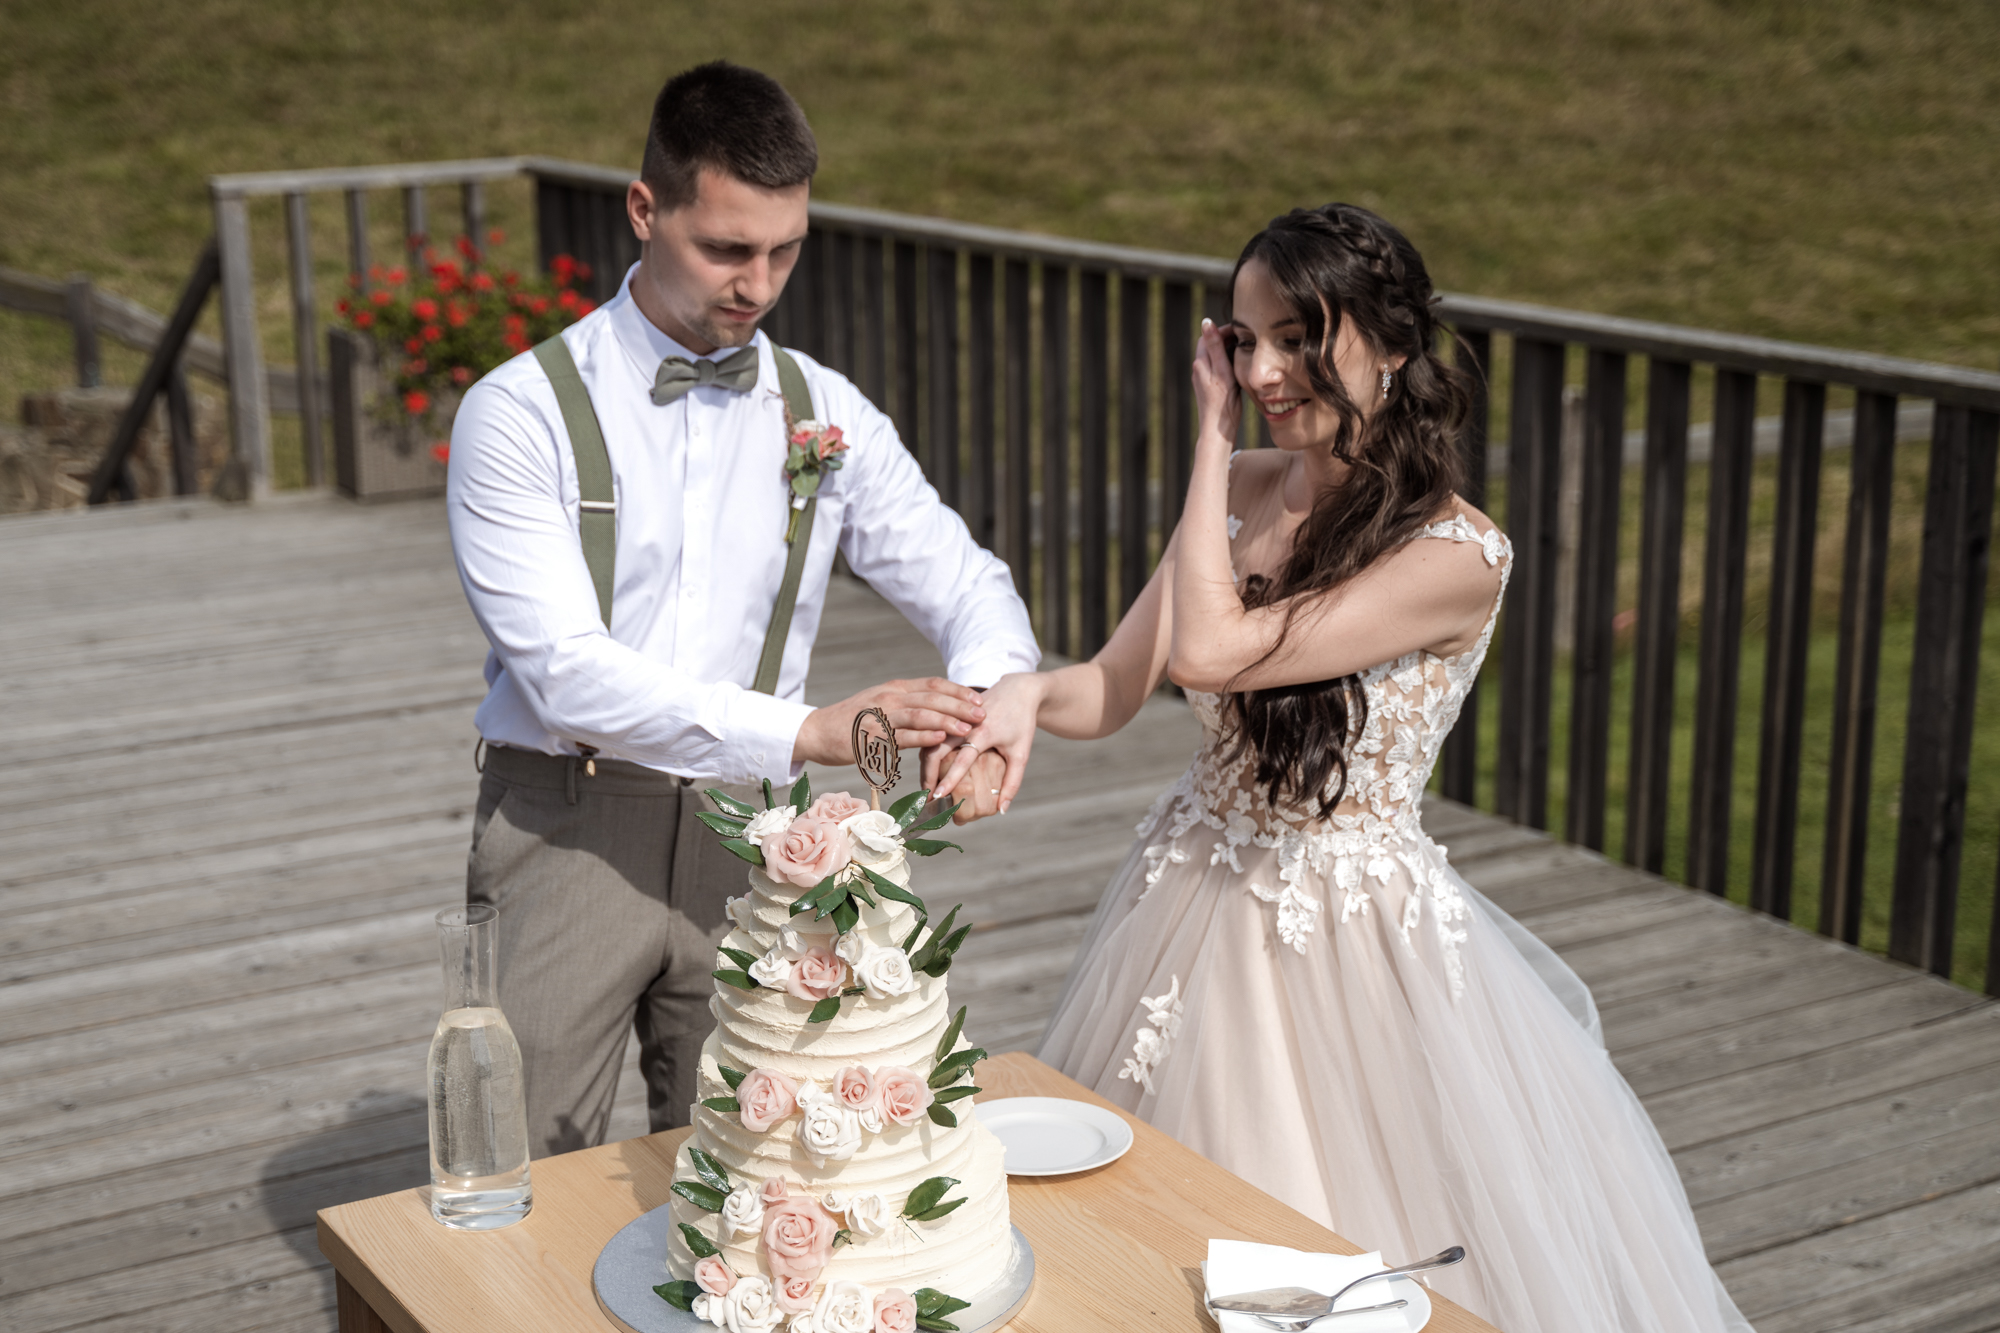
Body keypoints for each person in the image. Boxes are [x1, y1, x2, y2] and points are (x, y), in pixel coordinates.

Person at [933, 205, 1752, 1332]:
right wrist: (1022, 695)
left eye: (1298, 338)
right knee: (1138, 1243)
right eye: (1244, 340)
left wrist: (1209, 438)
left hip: (1345, 938)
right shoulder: (1243, 489)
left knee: (1324, 1251)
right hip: (1182, 895)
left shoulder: (1456, 554)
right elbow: (1115, 686)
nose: (1262, 372)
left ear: (1393, 344)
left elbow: (1210, 652)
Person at [446, 61, 1037, 1157]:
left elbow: (967, 582)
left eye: (784, 250)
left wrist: (993, 696)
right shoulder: (520, 412)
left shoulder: (821, 409)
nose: (757, 285)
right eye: (725, 248)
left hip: (760, 842)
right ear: (644, 209)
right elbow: (565, 673)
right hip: (569, 825)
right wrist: (809, 731)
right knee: (517, 1164)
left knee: (756, 1170)